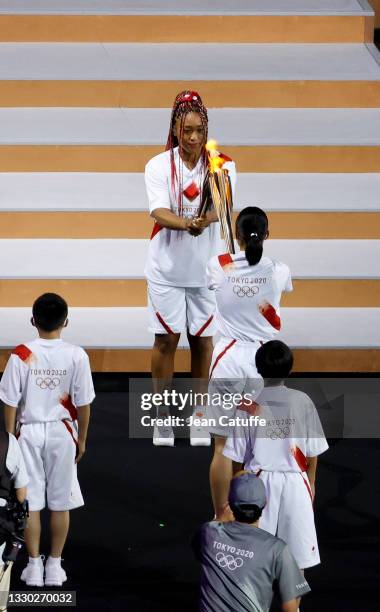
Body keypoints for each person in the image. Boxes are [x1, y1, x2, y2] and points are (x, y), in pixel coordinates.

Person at [144, 89, 236, 446]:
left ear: (206, 128)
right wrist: (187, 225)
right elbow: (158, 211)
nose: (194, 138)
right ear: (175, 129)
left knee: (203, 343)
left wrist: (206, 218)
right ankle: (162, 415)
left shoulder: (223, 164)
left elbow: (225, 210)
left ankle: (200, 413)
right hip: (166, 268)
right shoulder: (157, 165)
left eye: (199, 130)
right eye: (187, 131)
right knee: (166, 341)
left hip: (206, 271)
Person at [0, 293, 95, 587]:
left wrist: (9, 442)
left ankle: (33, 565)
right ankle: (54, 565)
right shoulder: (76, 354)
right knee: (60, 501)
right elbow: (83, 403)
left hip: (27, 433)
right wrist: (82, 439)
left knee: (29, 500)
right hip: (62, 432)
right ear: (66, 321)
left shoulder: (22, 354)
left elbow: (10, 402)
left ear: (33, 321)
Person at [205, 207, 292, 519]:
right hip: (262, 366)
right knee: (256, 448)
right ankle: (252, 513)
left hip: (227, 360)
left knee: (221, 447)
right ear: (267, 235)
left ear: (236, 236)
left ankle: (221, 514)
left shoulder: (218, 265)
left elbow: (221, 280)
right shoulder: (279, 270)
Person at [223, 341, 329, 574]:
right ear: (290, 369)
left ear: (258, 369)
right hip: (295, 482)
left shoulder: (247, 406)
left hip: (257, 487)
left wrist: (236, 491)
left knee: (254, 559)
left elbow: (237, 457)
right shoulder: (303, 401)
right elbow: (313, 452)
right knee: (297, 561)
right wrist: (310, 483)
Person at [192, 471, 310, 612]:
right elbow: (290, 608)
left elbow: (200, 546)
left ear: (230, 504)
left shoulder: (208, 533)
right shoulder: (277, 549)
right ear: (265, 503)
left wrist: (220, 518)